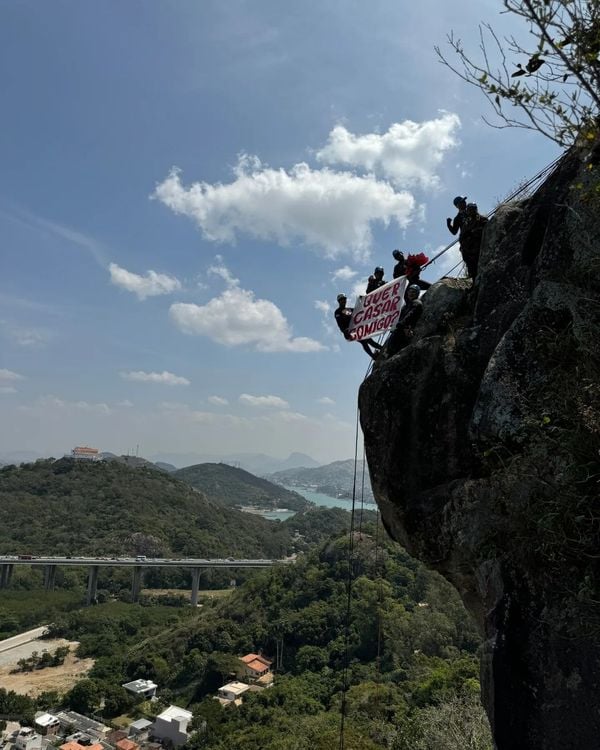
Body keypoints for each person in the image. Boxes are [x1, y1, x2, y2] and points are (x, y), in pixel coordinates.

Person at [334, 293, 383, 360]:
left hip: (356, 329)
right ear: (339, 301)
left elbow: (359, 310)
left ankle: (381, 348)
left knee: (368, 340)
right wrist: (344, 331)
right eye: (342, 300)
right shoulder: (338, 312)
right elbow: (339, 323)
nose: (344, 301)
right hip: (349, 332)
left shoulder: (349, 310)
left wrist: (362, 300)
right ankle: (374, 354)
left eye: (344, 299)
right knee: (364, 341)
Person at [386, 284, 423, 355]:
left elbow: (410, 315)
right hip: (401, 329)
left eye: (413, 292)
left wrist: (401, 323)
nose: (411, 294)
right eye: (410, 291)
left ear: (417, 294)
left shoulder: (417, 303)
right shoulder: (406, 305)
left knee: (395, 348)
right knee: (391, 347)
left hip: (407, 330)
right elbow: (399, 316)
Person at [460, 203, 488, 279]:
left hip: (478, 246)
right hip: (467, 249)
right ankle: (473, 281)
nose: (470, 211)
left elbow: (485, 229)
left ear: (475, 210)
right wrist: (462, 245)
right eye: (469, 210)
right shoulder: (466, 224)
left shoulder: (482, 219)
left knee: (476, 265)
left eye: (472, 209)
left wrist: (473, 232)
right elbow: (462, 236)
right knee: (471, 267)